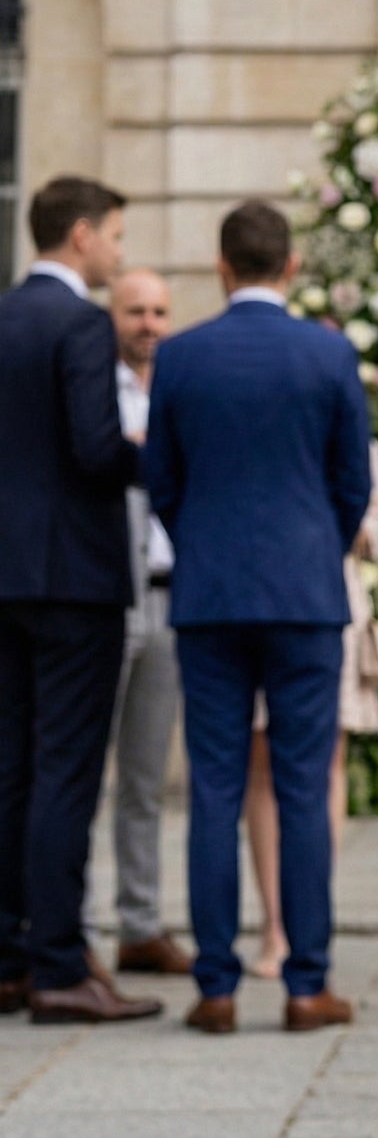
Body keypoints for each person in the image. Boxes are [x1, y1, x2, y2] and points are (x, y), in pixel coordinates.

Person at [144, 200, 372, 1036]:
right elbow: (352, 480)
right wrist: (317, 549)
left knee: (213, 787)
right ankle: (307, 984)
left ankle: (215, 986)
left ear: (222, 265)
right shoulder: (328, 352)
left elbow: (162, 479)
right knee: (304, 788)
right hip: (305, 596)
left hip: (208, 595)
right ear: (291, 266)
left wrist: (203, 544)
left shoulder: (181, 356)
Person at [0, 176, 162, 1024]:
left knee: (11, 768)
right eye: (115, 237)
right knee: (66, 772)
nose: (119, 253)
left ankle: (8, 957)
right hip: (74, 577)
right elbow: (97, 452)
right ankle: (61, 964)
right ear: (80, 235)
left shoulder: (4, 313)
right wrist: (160, 449)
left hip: (7, 578)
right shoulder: (78, 324)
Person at [243, 441, 378, 980]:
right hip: (260, 603)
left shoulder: (351, 431)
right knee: (262, 764)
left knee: (326, 764)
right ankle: (274, 927)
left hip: (334, 604)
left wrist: (346, 524)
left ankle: (310, 920)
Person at [104, 268, 193, 977]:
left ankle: (139, 921)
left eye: (160, 311)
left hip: (171, 595)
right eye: (135, 310)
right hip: (104, 595)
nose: (149, 323)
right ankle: (68, 925)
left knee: (144, 774)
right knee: (75, 770)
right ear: (113, 315)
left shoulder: (183, 386)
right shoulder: (91, 386)